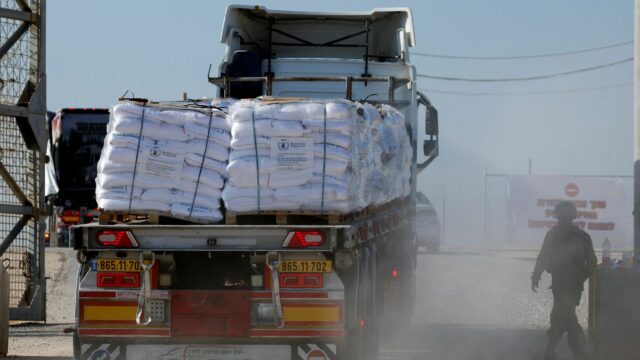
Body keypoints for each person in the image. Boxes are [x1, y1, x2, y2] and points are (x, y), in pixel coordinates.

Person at [531, 201, 597, 360]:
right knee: (564, 315)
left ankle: (560, 350)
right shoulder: (581, 236)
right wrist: (581, 277)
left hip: (564, 284)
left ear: (558, 215)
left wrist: (536, 275)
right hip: (567, 284)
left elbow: (543, 257)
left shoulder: (555, 234)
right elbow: (592, 263)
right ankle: (574, 351)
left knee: (563, 316)